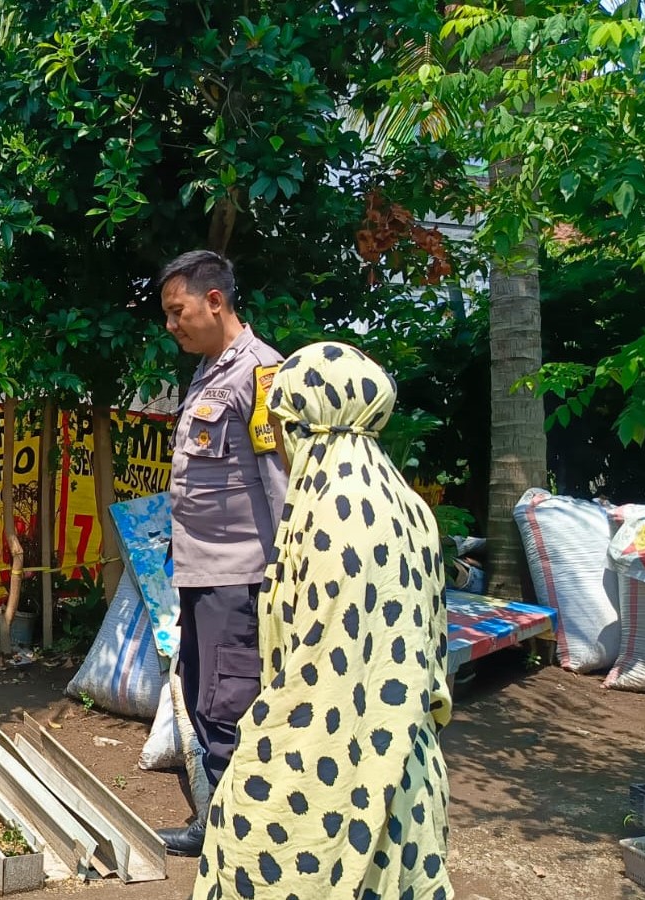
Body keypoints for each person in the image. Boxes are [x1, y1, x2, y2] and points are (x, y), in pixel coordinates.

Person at [192, 341, 453, 900]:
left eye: (283, 426)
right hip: (406, 770)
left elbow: (317, 678)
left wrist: (259, 756)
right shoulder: (410, 508)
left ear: (304, 428)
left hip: (330, 777)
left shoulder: (331, 513)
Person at [156, 250, 289, 856]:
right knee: (204, 693)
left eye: (178, 311)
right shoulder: (210, 371)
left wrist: (287, 574)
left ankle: (247, 847)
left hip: (242, 578)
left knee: (232, 707)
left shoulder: (261, 374)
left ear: (215, 301)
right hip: (203, 573)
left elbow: (282, 485)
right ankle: (221, 827)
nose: (171, 324)